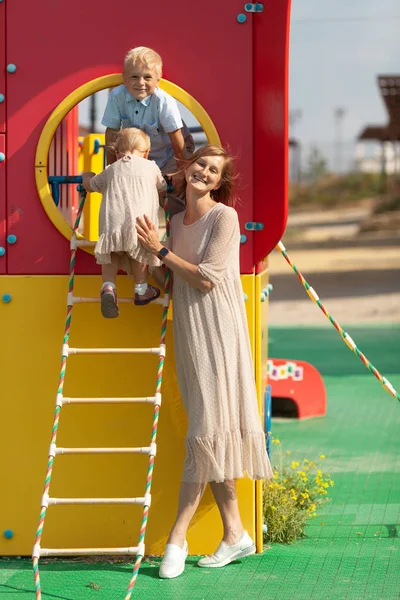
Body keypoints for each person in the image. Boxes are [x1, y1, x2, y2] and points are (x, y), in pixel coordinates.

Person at [136, 145, 273, 579]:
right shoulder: (176, 222)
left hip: (219, 328)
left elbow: (208, 278)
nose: (205, 173)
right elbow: (174, 279)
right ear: (187, 167)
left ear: (218, 182)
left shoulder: (224, 218)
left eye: (214, 171)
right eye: (201, 165)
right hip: (189, 329)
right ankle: (235, 533)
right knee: (209, 427)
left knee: (205, 429)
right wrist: (139, 260)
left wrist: (159, 251)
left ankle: (177, 537)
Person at [82, 128, 167, 317]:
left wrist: (86, 176)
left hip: (112, 224)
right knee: (140, 255)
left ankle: (108, 287)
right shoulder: (151, 167)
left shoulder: (111, 169)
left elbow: (91, 186)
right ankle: (141, 289)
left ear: (117, 153)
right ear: (146, 153)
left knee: (111, 254)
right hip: (141, 225)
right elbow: (163, 186)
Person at [101, 46, 193, 217]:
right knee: (141, 193)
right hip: (144, 156)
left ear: (158, 80)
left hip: (173, 151)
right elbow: (111, 132)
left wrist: (181, 170)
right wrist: (112, 167)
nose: (140, 82)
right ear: (125, 79)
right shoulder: (117, 96)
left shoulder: (163, 101)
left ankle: (179, 227)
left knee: (175, 191)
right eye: (134, 77)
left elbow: (176, 137)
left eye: (147, 77)